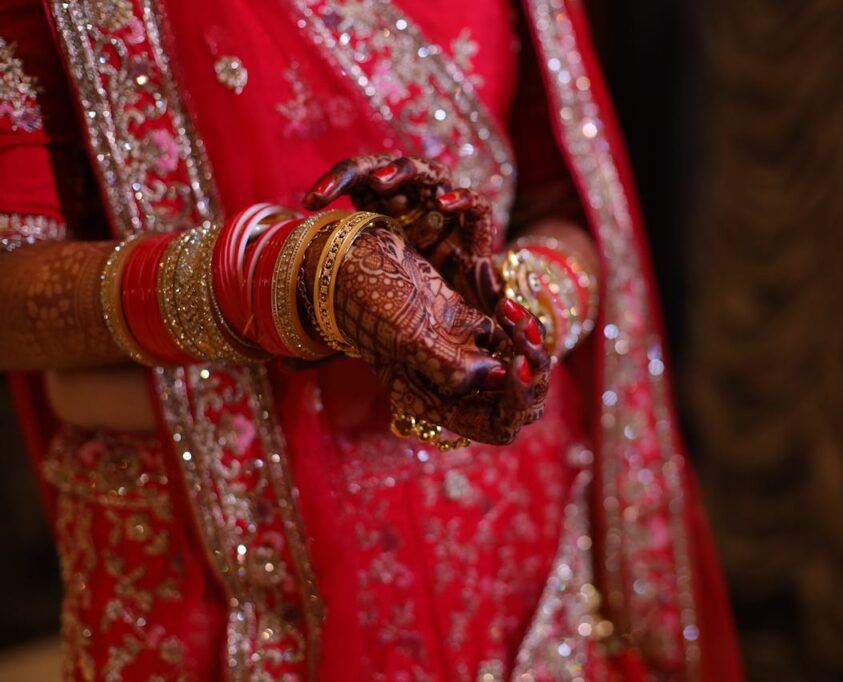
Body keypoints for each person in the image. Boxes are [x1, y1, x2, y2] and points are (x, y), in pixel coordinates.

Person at [0, 0, 742, 679]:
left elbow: (562, 200)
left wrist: (507, 312)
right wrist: (281, 276)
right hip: (221, 560)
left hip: (500, 541)